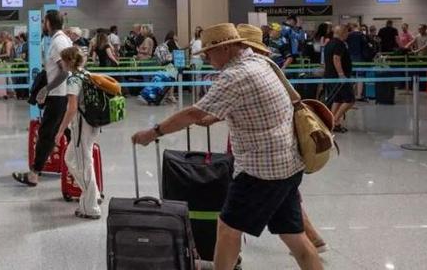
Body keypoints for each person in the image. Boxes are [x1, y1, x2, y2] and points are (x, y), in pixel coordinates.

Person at [132, 23, 322, 270]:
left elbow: (193, 113)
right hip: (288, 163)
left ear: (228, 47)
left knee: (228, 228)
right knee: (292, 234)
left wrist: (152, 132)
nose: (208, 59)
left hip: (261, 171)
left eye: (210, 53)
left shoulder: (235, 75)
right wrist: (212, 117)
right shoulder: (263, 64)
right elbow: (254, 104)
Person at [236, 24, 328, 255]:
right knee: (287, 195)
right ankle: (311, 241)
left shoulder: (251, 72)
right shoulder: (269, 67)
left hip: (263, 150)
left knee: (242, 202)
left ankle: (310, 240)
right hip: (280, 146)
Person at [12, 10, 72, 187]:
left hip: (58, 95)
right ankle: (72, 167)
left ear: (48, 23)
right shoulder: (61, 40)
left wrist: (46, 89)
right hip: (61, 94)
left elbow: (65, 70)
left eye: (44, 22)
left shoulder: (59, 42)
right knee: (66, 131)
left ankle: (34, 174)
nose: (42, 25)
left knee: (46, 134)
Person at [55, 46, 102, 219]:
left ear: (68, 61)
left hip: (81, 125)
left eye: (62, 61)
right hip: (92, 124)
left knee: (83, 164)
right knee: (73, 159)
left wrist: (60, 130)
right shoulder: (86, 74)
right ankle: (93, 195)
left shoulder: (74, 79)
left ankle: (91, 208)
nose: (61, 65)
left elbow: (72, 108)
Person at [325, 25, 355, 133]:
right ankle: (335, 120)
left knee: (337, 100)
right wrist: (341, 74)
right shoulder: (339, 44)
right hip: (339, 77)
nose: (347, 35)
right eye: (346, 32)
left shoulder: (329, 43)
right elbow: (336, 58)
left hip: (330, 76)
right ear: (343, 33)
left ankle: (332, 122)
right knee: (350, 100)